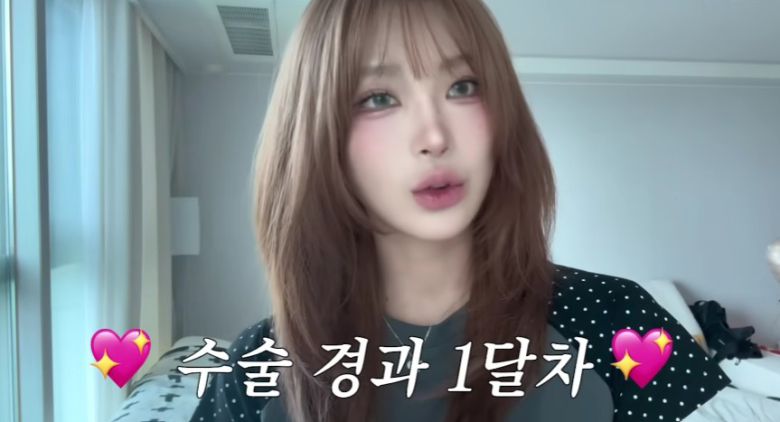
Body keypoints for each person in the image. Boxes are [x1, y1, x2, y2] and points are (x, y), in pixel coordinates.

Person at [188, 0, 731, 420]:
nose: (434, 136)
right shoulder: (259, 362)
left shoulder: (613, 318)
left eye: (463, 87)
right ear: (319, 138)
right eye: (378, 98)